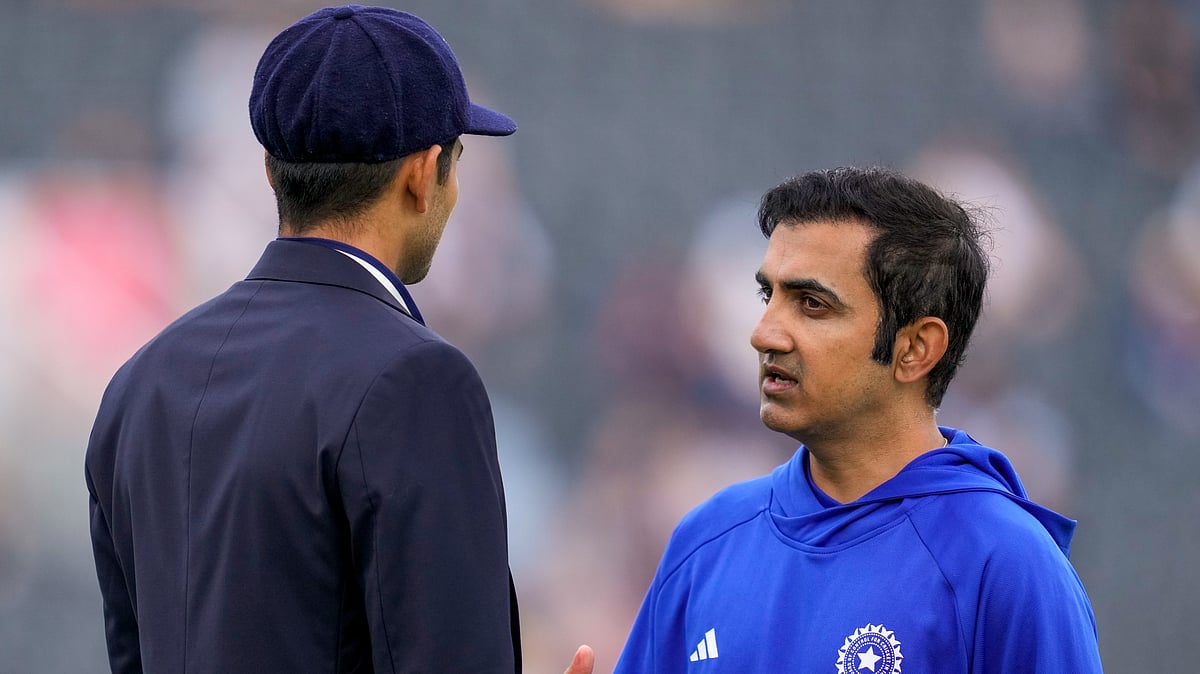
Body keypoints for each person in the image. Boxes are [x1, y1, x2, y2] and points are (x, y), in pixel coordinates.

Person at [85, 6, 528, 672]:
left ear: (271, 168)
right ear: (422, 173)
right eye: (456, 163)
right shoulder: (415, 378)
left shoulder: (139, 383)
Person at [608, 167, 1104, 672]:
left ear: (915, 348)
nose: (763, 333)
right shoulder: (707, 540)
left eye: (811, 304)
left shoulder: (1005, 564)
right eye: (768, 296)